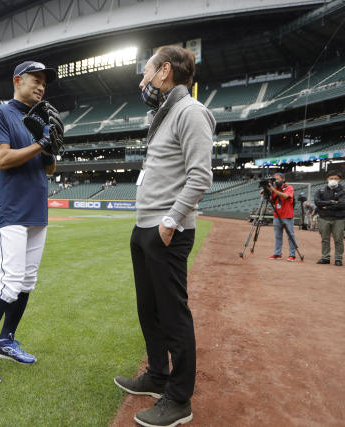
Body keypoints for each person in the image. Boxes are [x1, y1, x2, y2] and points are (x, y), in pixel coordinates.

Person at [113, 46, 214, 427]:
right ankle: (157, 374)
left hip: (166, 230)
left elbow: (200, 176)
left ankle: (179, 399)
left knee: (173, 315)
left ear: (165, 72)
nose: (143, 81)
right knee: (149, 310)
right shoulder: (165, 114)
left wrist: (170, 221)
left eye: (147, 72)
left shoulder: (190, 112)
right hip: (145, 228)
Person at [0, 61, 57, 384]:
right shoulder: (0, 114)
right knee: (8, 283)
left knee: (26, 283)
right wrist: (39, 145)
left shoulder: (41, 119)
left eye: (45, 82)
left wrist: (50, 148)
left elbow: (49, 170)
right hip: (14, 211)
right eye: (37, 79)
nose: (42, 86)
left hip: (37, 210)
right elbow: (3, 159)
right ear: (18, 80)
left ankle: (6, 341)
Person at [315, 171, 345, 266]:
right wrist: (332, 202)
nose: (333, 180)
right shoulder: (320, 190)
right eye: (331, 178)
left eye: (336, 178)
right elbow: (317, 202)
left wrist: (326, 205)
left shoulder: (344, 191)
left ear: (340, 180)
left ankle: (338, 258)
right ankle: (325, 257)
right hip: (324, 218)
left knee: (338, 239)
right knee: (325, 239)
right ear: (327, 179)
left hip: (339, 218)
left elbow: (342, 204)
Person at [265, 173, 297, 262]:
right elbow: (271, 200)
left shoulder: (289, 188)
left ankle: (292, 254)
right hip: (277, 215)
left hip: (287, 216)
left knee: (290, 235)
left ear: (283, 179)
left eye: (278, 179)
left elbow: (286, 196)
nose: (276, 181)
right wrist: (267, 192)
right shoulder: (275, 189)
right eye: (274, 179)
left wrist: (272, 189)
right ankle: (277, 253)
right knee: (278, 236)